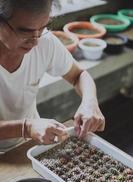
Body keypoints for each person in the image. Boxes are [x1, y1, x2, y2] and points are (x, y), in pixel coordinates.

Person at [0, 0, 105, 151]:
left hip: (29, 143)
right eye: (24, 32)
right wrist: (25, 127)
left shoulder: (44, 42)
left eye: (43, 28)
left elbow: (79, 75)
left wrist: (90, 102)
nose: (35, 42)